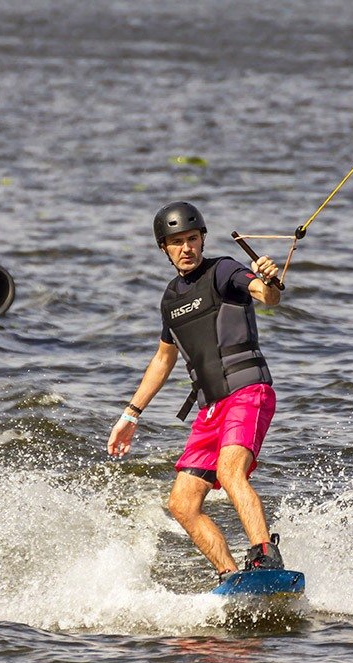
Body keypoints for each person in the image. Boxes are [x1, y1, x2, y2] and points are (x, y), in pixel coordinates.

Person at [107, 201, 286, 582]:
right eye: (176, 242)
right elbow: (162, 359)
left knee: (230, 471)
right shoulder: (171, 299)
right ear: (164, 248)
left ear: (202, 239)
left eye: (192, 239)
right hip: (210, 411)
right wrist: (130, 415)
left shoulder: (224, 271)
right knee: (182, 504)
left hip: (247, 392)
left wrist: (268, 280)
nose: (186, 248)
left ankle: (266, 557)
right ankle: (231, 577)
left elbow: (264, 294)